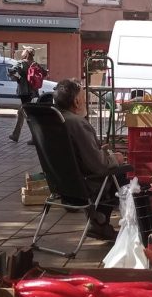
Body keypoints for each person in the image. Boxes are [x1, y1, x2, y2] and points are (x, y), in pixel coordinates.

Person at [54, 79, 125, 240]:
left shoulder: (56, 119)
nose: (86, 101)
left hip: (62, 184)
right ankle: (100, 222)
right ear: (76, 101)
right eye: (84, 98)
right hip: (86, 185)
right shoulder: (77, 123)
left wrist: (101, 151)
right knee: (124, 177)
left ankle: (98, 221)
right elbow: (99, 165)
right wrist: (115, 158)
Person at [9, 48, 46, 144]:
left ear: (26, 53)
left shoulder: (21, 63)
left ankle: (35, 138)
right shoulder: (36, 64)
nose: (22, 52)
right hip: (34, 92)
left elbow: (11, 71)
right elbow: (44, 73)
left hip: (24, 92)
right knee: (22, 112)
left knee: (27, 115)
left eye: (24, 51)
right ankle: (15, 135)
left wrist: (20, 78)